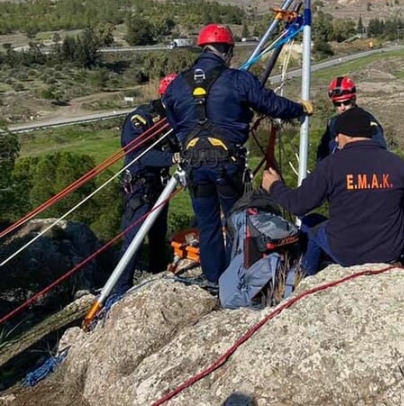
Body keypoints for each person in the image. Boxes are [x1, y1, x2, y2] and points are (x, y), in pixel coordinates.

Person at [161, 23, 313, 287]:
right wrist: (298, 108)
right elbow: (271, 104)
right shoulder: (237, 79)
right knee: (236, 221)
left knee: (207, 225)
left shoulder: (176, 86)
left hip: (194, 166)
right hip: (226, 164)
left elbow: (175, 125)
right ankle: (237, 279)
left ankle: (213, 280)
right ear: (227, 51)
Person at [262, 106, 404, 275]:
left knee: (310, 223)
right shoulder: (398, 165)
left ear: (344, 134)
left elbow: (298, 205)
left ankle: (305, 277)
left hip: (345, 253)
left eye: (337, 136)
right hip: (389, 252)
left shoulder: (331, 165)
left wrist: (274, 185)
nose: (337, 141)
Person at [114, 73, 181, 295]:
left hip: (159, 184)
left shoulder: (177, 120)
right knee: (133, 239)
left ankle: (156, 274)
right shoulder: (141, 119)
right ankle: (120, 288)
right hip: (139, 186)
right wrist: (172, 159)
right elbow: (137, 154)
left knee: (158, 234)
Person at [316, 75, 386, 161]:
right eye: (337, 104)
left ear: (353, 99)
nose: (342, 107)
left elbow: (380, 151)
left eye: (346, 102)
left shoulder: (367, 121)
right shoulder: (333, 123)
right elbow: (323, 152)